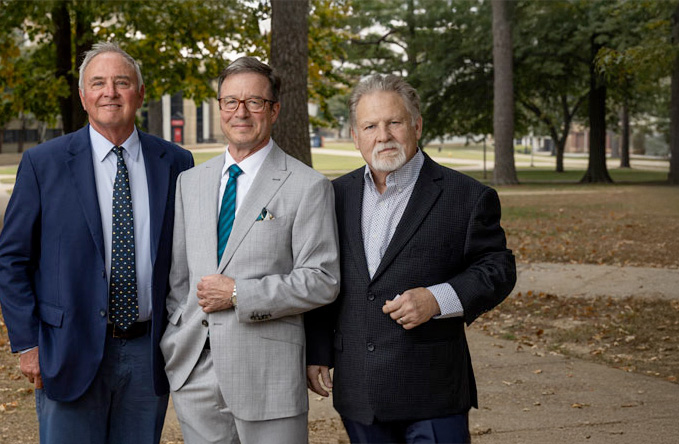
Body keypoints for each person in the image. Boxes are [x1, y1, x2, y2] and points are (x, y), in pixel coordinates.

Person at [305, 74, 516, 443]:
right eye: (370, 126)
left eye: (394, 122)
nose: (383, 135)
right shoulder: (334, 196)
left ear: (416, 125)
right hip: (359, 389)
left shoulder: (466, 196)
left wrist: (438, 298)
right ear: (356, 136)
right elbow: (324, 276)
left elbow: (497, 269)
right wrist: (318, 349)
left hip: (432, 390)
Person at [0, 42, 194, 443]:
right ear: (83, 96)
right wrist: (28, 343)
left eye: (122, 82)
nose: (111, 92)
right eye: (99, 83)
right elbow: (12, 258)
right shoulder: (44, 163)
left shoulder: (176, 163)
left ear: (140, 94)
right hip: (65, 348)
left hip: (148, 351)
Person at [159, 56, 339, 444]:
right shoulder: (189, 182)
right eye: (230, 102)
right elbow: (179, 277)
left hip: (267, 374)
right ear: (220, 108)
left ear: (274, 110)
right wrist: (177, 339)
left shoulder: (308, 185)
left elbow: (323, 280)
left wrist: (239, 294)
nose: (241, 112)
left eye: (254, 102)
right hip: (195, 372)